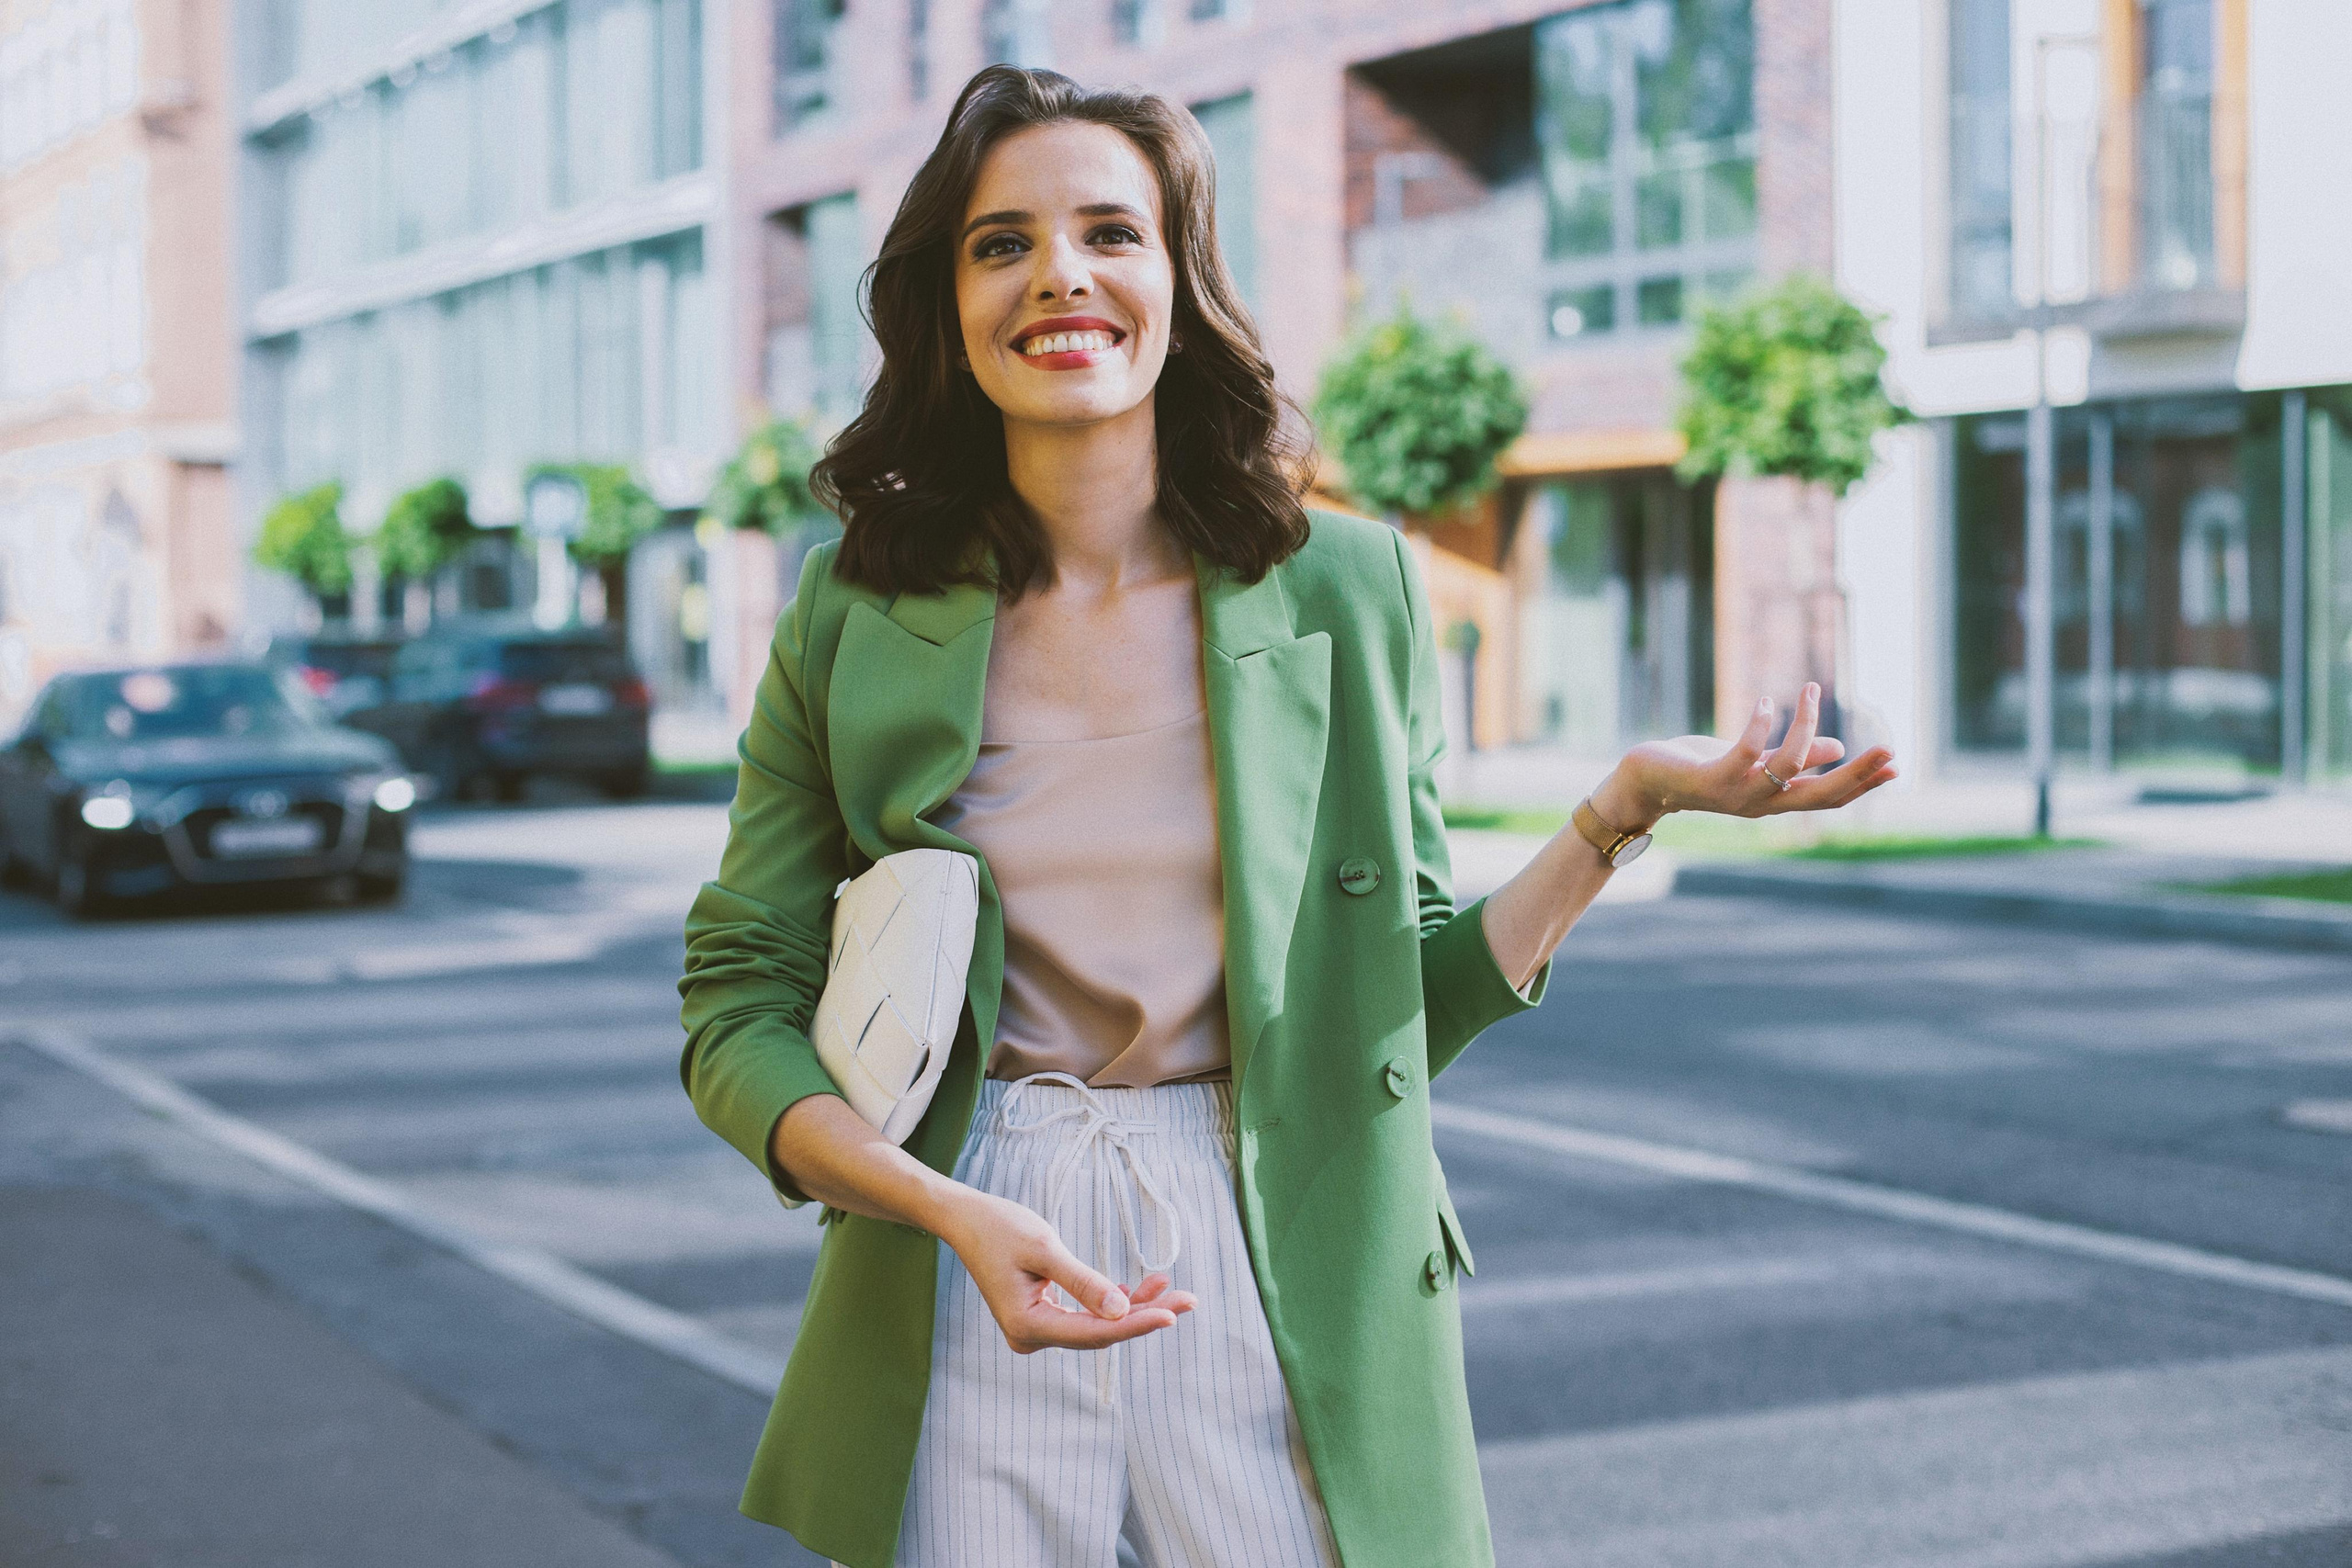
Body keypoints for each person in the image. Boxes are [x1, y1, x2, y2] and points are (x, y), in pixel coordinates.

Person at [678, 64, 1897, 1568]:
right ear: (949, 302)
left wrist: (1616, 813)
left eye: (1109, 233)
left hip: (1275, 1224)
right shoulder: (852, 613)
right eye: (1003, 243)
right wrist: (942, 1209)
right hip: (963, 1226)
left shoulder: (1346, 588)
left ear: (1179, 283)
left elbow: (1402, 1007)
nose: (1059, 271)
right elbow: (738, 1002)